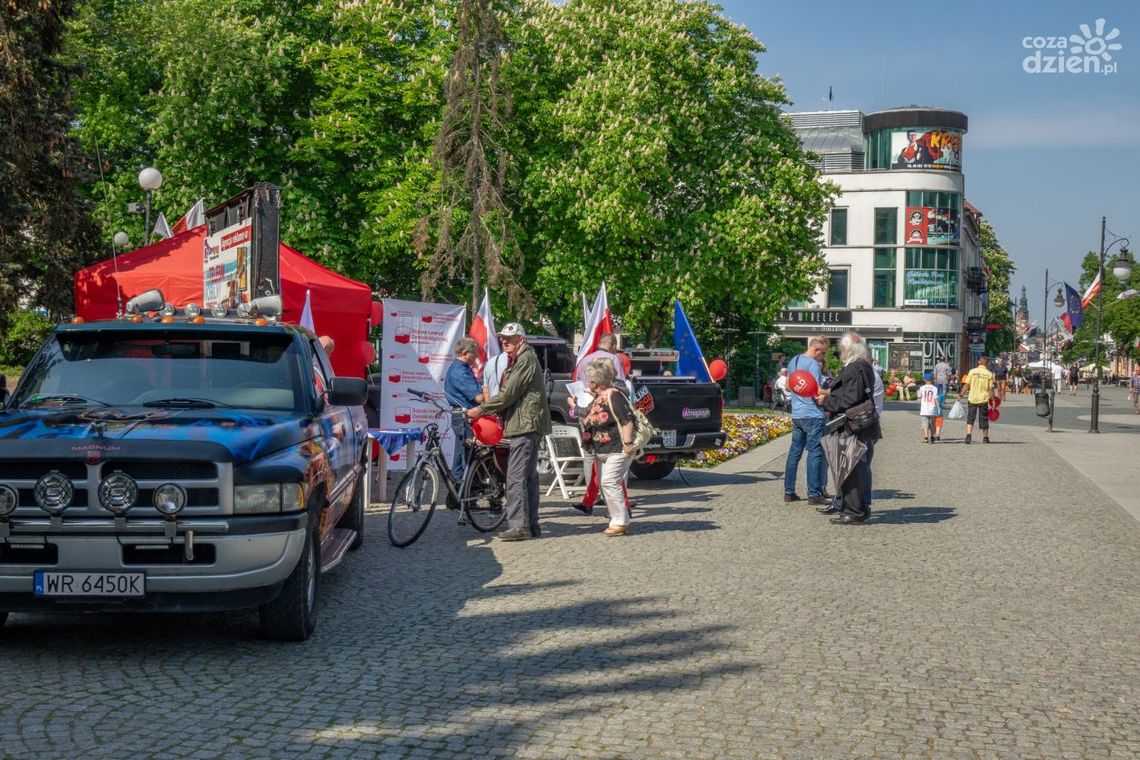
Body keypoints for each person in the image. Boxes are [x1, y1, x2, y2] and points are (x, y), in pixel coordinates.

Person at [467, 323, 552, 541]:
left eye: (510, 338)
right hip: (527, 424)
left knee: (515, 478)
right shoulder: (520, 360)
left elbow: (507, 395)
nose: (504, 341)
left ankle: (519, 526)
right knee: (528, 478)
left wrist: (481, 409)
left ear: (520, 340)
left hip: (525, 425)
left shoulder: (525, 360)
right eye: (503, 338)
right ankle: (531, 524)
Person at [814, 332, 880, 524]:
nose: (840, 352)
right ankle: (855, 508)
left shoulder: (853, 368)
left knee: (850, 469)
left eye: (842, 349)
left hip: (851, 424)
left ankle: (854, 510)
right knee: (854, 467)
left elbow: (850, 398)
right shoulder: (864, 367)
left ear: (849, 350)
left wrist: (826, 401)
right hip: (858, 423)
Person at [572, 359, 636, 536]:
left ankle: (620, 521)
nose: (587, 383)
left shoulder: (613, 395)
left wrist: (628, 444)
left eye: (589, 381)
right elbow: (590, 416)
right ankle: (618, 519)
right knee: (605, 483)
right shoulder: (600, 397)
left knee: (609, 482)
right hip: (603, 449)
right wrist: (575, 406)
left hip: (618, 447)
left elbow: (627, 421)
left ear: (595, 383)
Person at [782, 336, 830, 506]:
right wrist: (831, 393)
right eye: (822, 353)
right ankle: (814, 494)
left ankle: (789, 492)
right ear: (817, 350)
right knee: (815, 453)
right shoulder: (813, 365)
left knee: (794, 453)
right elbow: (817, 391)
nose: (822, 357)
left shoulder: (794, 361)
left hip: (797, 414)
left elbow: (788, 385)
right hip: (813, 415)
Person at [444, 337, 485, 489]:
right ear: (466, 353)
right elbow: (479, 397)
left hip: (461, 416)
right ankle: (469, 495)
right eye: (474, 354)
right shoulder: (461, 372)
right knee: (469, 458)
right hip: (466, 417)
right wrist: (492, 393)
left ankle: (456, 495)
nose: (476, 357)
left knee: (460, 455)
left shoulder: (457, 368)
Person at [960, 355, 996, 444]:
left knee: (970, 417)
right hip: (983, 399)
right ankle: (985, 437)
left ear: (979, 362)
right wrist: (993, 399)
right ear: (987, 364)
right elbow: (990, 388)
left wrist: (961, 395)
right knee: (984, 418)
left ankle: (968, 435)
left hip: (972, 398)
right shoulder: (989, 374)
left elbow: (967, 385)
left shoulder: (972, 371)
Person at [918, 371, 940, 444]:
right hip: (932, 409)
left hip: (924, 409)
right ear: (932, 379)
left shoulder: (922, 388)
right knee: (933, 424)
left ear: (924, 380)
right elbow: (935, 399)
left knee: (925, 424)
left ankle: (926, 438)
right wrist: (938, 407)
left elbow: (919, 397)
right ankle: (932, 437)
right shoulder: (935, 388)